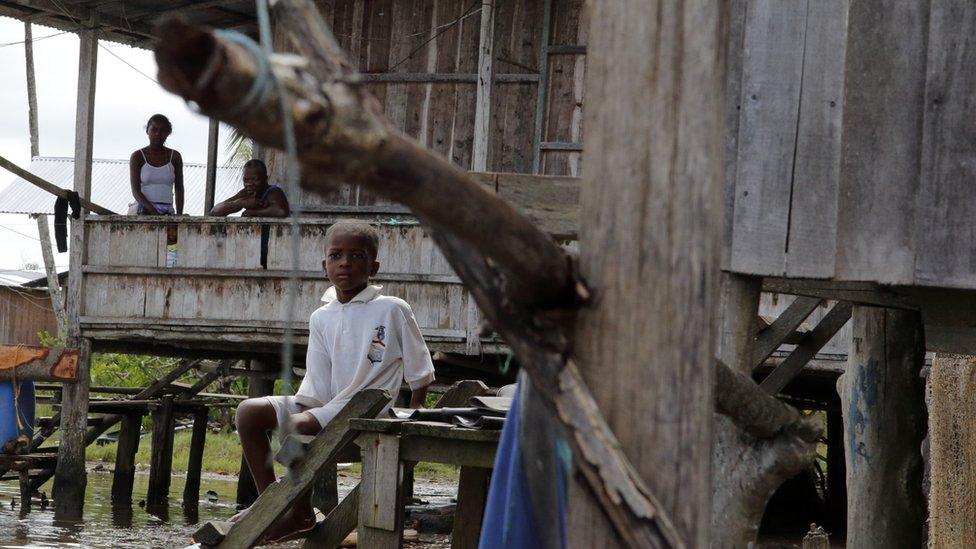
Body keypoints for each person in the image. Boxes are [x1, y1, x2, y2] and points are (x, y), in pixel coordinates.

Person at [232, 219, 435, 541]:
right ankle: (271, 504)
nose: (345, 263)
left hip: (367, 406)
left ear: (374, 266)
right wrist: (308, 408)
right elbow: (317, 377)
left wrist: (416, 409)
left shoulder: (391, 309)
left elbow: (419, 363)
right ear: (324, 263)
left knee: (292, 426)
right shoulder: (322, 316)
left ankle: (296, 512)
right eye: (337, 255)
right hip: (329, 402)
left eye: (357, 256)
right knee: (248, 411)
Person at [128, 114, 184, 215]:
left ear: (168, 133)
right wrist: (152, 211)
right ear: (147, 131)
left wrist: (179, 216)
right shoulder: (137, 156)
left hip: (167, 209)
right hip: (143, 208)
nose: (158, 134)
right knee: (143, 214)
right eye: (154, 129)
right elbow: (135, 190)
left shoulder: (175, 156)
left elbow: (179, 187)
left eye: (162, 130)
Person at [208, 159, 290, 217]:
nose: (249, 184)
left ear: (265, 179)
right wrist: (239, 203)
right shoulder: (245, 193)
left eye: (254, 179)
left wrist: (252, 212)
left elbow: (281, 211)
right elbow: (214, 211)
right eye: (246, 180)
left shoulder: (273, 191)